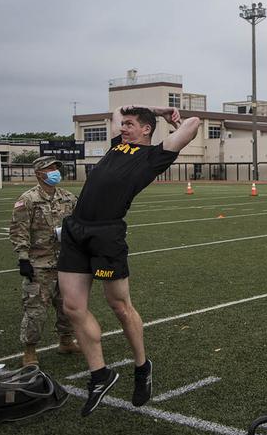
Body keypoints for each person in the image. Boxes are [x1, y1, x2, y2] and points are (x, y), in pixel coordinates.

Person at [58, 105, 200, 416]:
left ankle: (141, 365)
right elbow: (116, 112)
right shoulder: (116, 145)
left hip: (107, 233)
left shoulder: (155, 156)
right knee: (72, 307)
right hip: (75, 228)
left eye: (130, 124)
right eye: (123, 124)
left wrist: (165, 113)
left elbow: (193, 124)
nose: (123, 127)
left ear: (146, 130)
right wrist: (126, 113)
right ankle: (100, 374)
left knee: (119, 306)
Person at [10, 156, 80, 366]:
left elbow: (78, 224)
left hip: (66, 263)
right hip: (39, 264)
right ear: (39, 173)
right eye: (49, 169)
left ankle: (66, 341)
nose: (54, 172)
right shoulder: (28, 199)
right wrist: (23, 258)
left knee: (67, 306)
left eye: (55, 168)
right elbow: (18, 230)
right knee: (36, 310)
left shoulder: (68, 198)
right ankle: (29, 352)